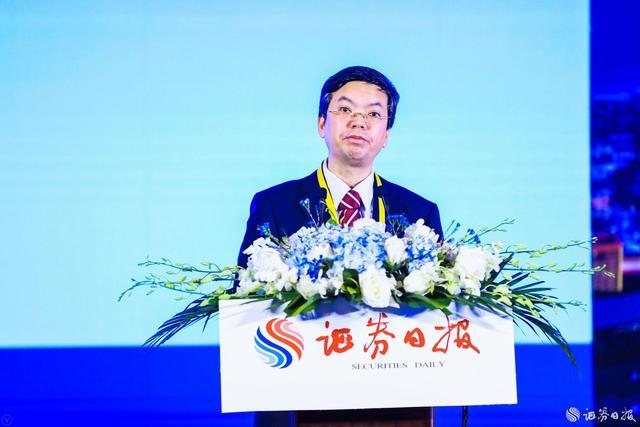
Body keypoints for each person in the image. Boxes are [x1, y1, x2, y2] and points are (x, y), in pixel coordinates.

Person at [236, 65, 442, 427]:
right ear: (321, 123)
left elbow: (437, 312)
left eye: (374, 114)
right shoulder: (275, 204)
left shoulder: (418, 212)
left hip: (395, 401)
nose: (359, 122)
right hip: (298, 394)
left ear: (386, 135)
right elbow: (244, 294)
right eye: (345, 109)